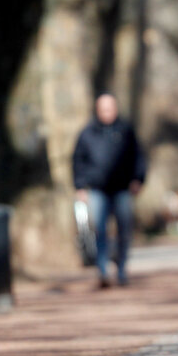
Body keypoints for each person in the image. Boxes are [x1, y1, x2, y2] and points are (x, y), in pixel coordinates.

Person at [73, 93, 146, 289]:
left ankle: (121, 269)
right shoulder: (87, 133)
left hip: (122, 188)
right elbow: (78, 160)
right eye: (103, 109)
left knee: (124, 230)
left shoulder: (126, 130)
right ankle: (103, 270)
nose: (107, 112)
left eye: (110, 108)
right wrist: (80, 186)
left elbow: (138, 156)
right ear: (97, 110)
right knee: (100, 230)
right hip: (97, 189)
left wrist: (138, 179)